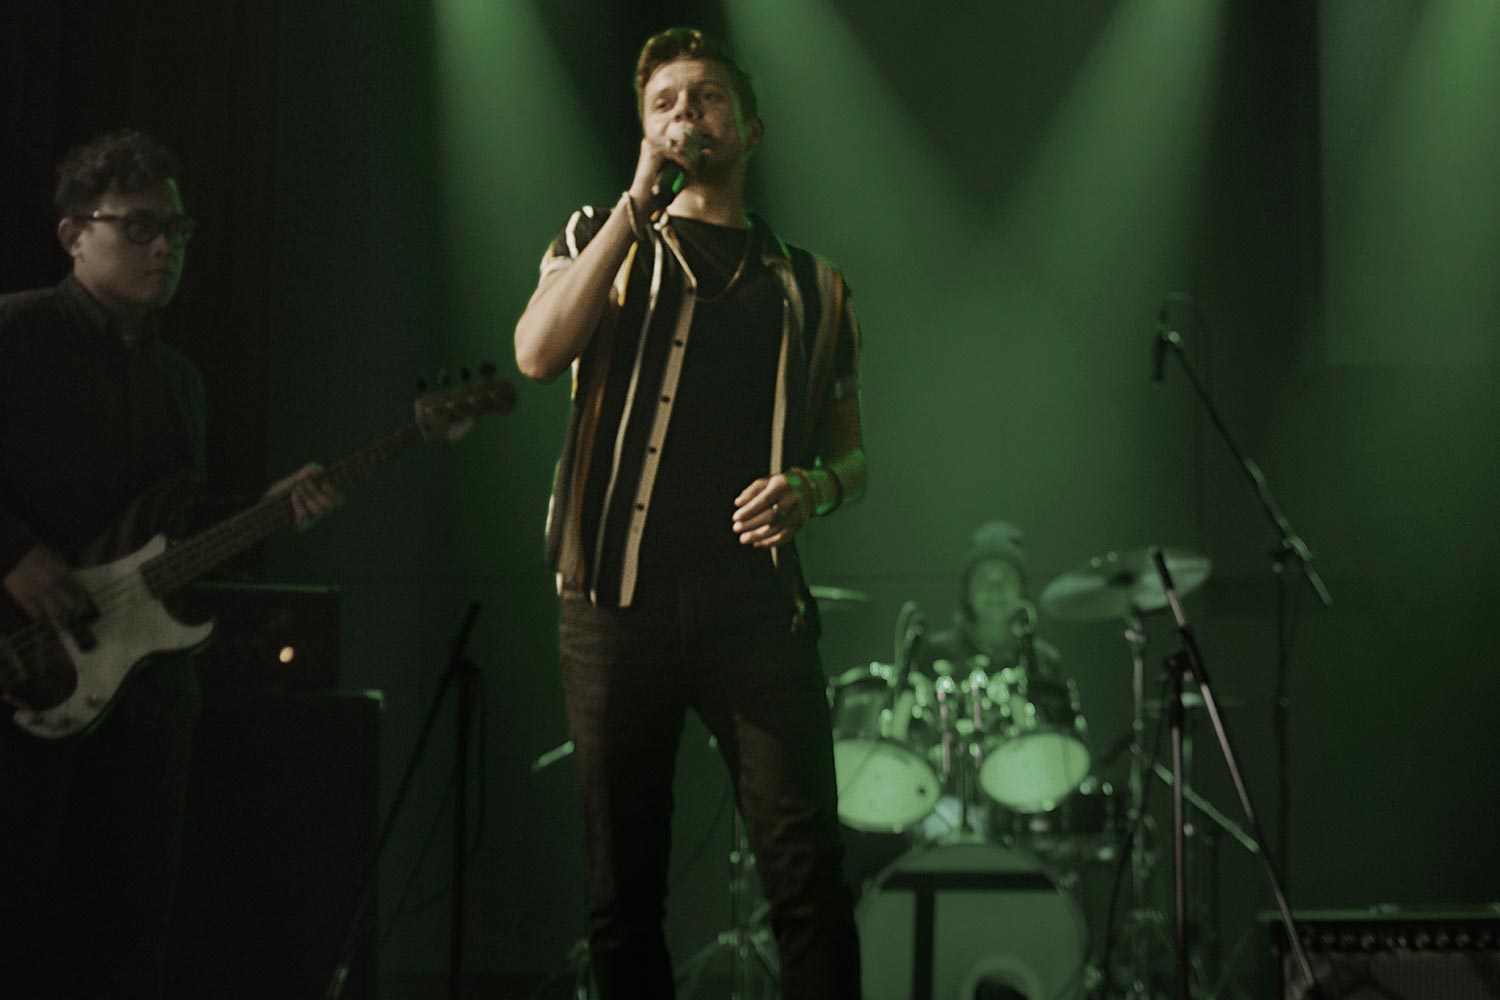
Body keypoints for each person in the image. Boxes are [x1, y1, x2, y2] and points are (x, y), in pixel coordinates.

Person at [513, 28, 866, 999]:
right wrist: (634, 207)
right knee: (621, 891)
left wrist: (815, 488)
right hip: (612, 603)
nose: (684, 116)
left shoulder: (813, 283)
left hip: (756, 609)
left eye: (706, 98)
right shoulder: (596, 233)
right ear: (643, 129)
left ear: (749, 127)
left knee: (807, 873)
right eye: (664, 102)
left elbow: (854, 451)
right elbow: (538, 354)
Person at [0, 129, 337, 999]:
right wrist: (14, 557)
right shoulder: (14, 333)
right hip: (22, 672)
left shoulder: (181, 380)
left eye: (178, 233)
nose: (165, 247)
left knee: (130, 921)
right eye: (142, 226)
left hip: (144, 693)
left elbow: (165, 534)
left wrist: (267, 509)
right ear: (75, 234)